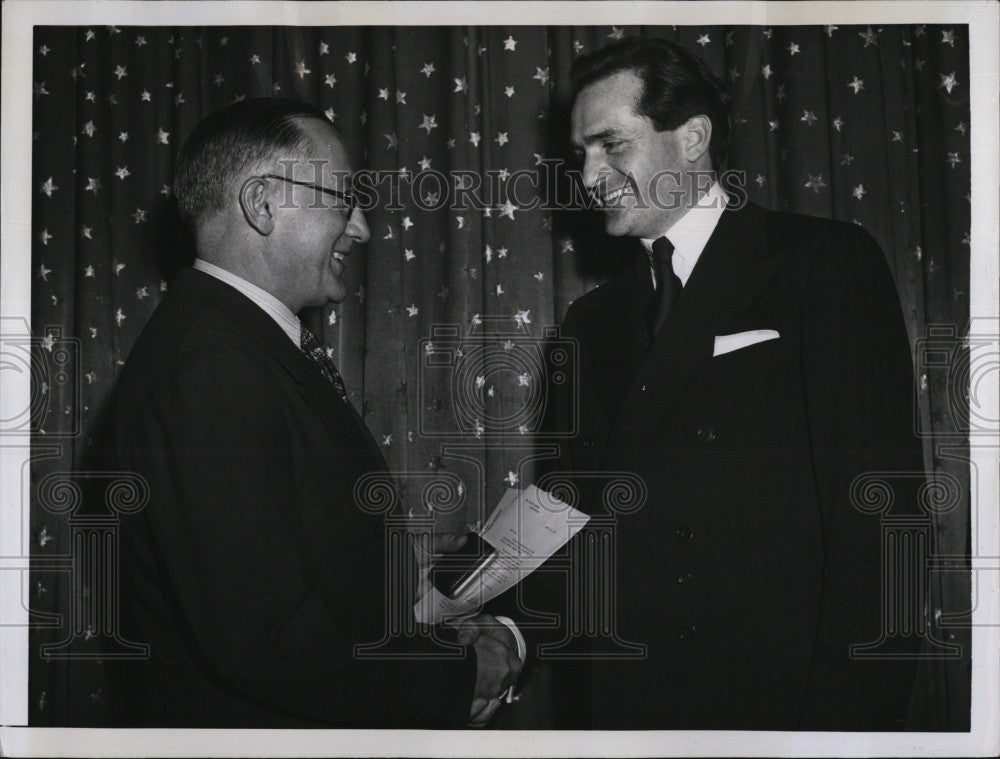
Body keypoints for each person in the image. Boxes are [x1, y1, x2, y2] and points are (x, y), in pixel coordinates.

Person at [532, 38, 925, 730]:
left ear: (692, 138)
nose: (589, 176)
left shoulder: (821, 265)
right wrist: (477, 604)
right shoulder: (589, 323)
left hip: (783, 704)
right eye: (581, 154)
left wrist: (854, 730)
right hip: (631, 709)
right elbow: (568, 514)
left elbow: (883, 518)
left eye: (610, 146)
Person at [109, 98, 520, 728]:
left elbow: (273, 558)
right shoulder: (210, 366)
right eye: (344, 199)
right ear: (262, 203)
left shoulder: (236, 343)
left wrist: (387, 571)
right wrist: (460, 674)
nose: (361, 228)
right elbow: (267, 641)